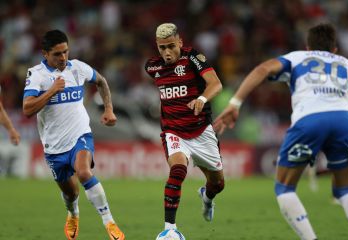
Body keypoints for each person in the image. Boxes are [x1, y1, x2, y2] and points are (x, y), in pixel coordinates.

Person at [214, 23, 348, 239]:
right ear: (335, 49)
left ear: (308, 47)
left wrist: (235, 103)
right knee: (346, 191)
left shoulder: (298, 57)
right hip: (345, 120)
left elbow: (262, 70)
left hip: (309, 119)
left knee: (285, 189)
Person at [23, 30, 125, 240]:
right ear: (45, 53)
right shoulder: (36, 75)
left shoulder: (77, 68)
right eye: (57, 54)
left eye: (66, 52)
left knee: (84, 172)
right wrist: (51, 91)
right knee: (71, 194)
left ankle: (110, 222)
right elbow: (27, 109)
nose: (63, 58)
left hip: (80, 134)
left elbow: (102, 81)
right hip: (53, 145)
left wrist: (108, 109)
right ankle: (73, 213)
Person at [145, 23, 225, 234]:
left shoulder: (192, 58)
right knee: (178, 170)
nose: (167, 52)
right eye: (162, 48)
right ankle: (169, 230)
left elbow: (215, 84)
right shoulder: (152, 67)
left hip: (201, 131)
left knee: (217, 184)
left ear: (180, 42)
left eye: (171, 46)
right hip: (174, 131)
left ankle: (206, 198)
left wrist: (201, 98)